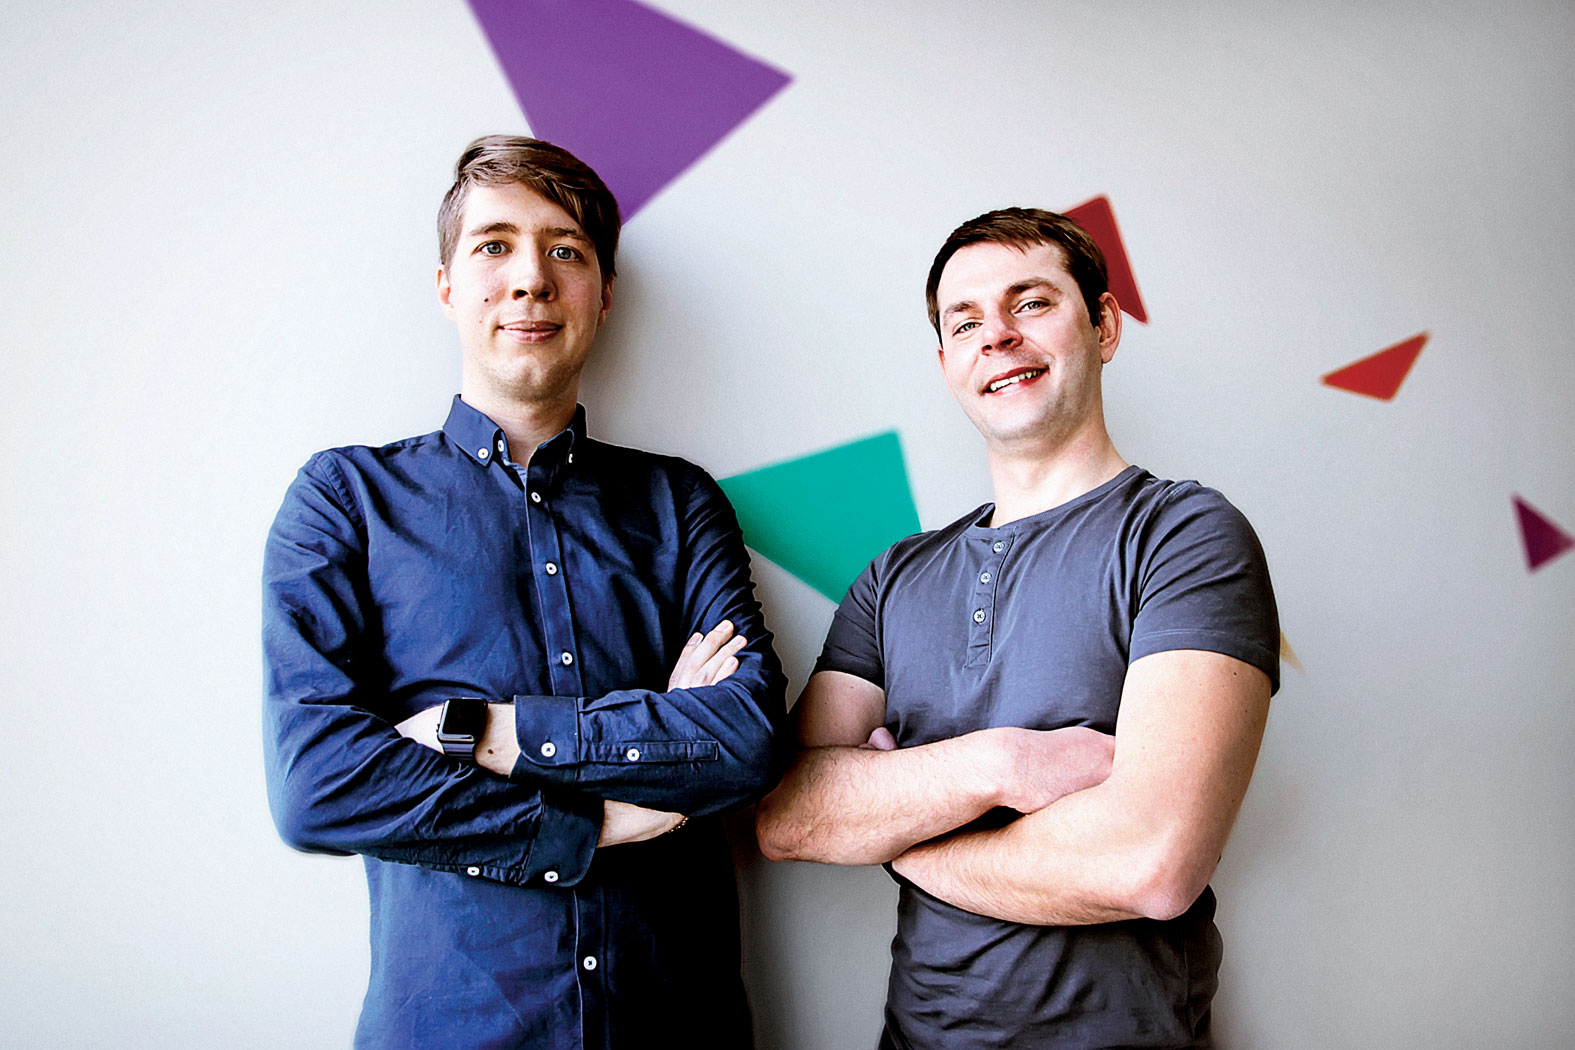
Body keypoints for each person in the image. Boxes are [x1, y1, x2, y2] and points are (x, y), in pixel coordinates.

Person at [262, 135, 785, 1050]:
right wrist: (595, 818)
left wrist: (479, 731)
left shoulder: (679, 501)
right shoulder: (345, 500)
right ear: (446, 287)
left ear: (603, 295)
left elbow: (744, 740)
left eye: (565, 251)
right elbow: (318, 786)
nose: (531, 279)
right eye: (494, 246)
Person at [755, 207, 1279, 1049]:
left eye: (1029, 303)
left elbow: (1150, 864)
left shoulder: (1183, 535)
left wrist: (907, 840)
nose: (996, 336)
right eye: (964, 322)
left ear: (1103, 326)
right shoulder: (894, 578)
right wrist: (1002, 765)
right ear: (946, 365)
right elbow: (787, 814)